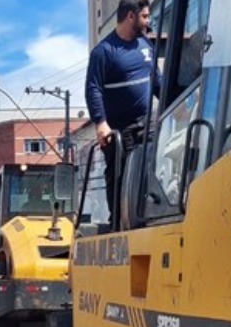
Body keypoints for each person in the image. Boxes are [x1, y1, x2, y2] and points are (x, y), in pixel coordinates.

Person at [85, 0, 163, 212]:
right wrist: (101, 123)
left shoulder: (146, 45)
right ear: (131, 16)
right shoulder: (103, 52)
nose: (148, 22)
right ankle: (118, 222)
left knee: (151, 170)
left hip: (147, 123)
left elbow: (157, 81)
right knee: (120, 175)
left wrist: (175, 103)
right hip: (118, 129)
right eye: (145, 17)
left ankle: (149, 212)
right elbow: (93, 89)